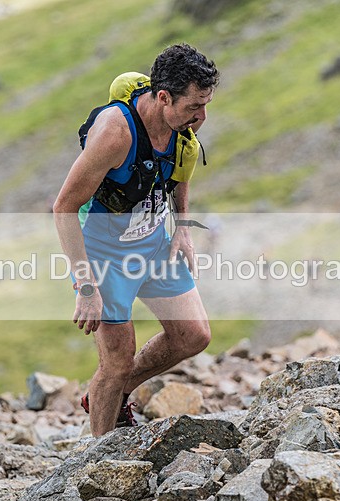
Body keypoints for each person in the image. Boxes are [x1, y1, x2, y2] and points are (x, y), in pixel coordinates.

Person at [53, 44, 219, 436]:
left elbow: (180, 174)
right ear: (163, 97)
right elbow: (63, 207)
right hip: (104, 253)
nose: (203, 117)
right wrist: (86, 284)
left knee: (193, 335)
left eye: (206, 104)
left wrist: (181, 228)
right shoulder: (115, 134)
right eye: (195, 106)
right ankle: (99, 464)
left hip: (152, 243)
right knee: (115, 362)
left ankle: (111, 393)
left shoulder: (181, 129)